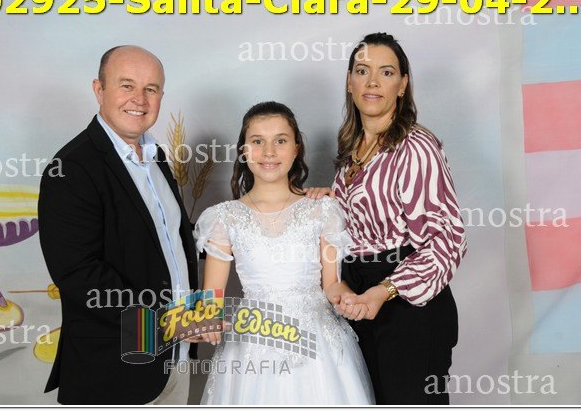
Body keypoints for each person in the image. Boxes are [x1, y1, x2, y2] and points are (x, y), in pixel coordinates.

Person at [307, 32, 467, 404]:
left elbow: (448, 240)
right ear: (350, 82)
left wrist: (385, 291)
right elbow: (370, 217)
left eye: (387, 72)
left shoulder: (416, 146)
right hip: (360, 296)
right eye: (363, 71)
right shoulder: (352, 150)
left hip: (407, 303)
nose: (373, 82)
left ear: (403, 85)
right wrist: (333, 202)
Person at [38, 45, 198, 405]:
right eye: (127, 85)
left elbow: (168, 241)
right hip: (115, 372)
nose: (139, 99)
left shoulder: (155, 157)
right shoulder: (72, 168)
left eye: (151, 89)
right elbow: (79, 273)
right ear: (99, 89)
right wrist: (165, 324)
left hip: (175, 361)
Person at [189, 101, 374, 405]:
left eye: (280, 141)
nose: (269, 152)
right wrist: (202, 320)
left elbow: (331, 284)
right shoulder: (224, 218)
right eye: (257, 141)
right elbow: (212, 298)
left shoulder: (322, 209)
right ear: (244, 150)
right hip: (254, 340)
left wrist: (348, 298)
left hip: (317, 341)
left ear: (296, 148)